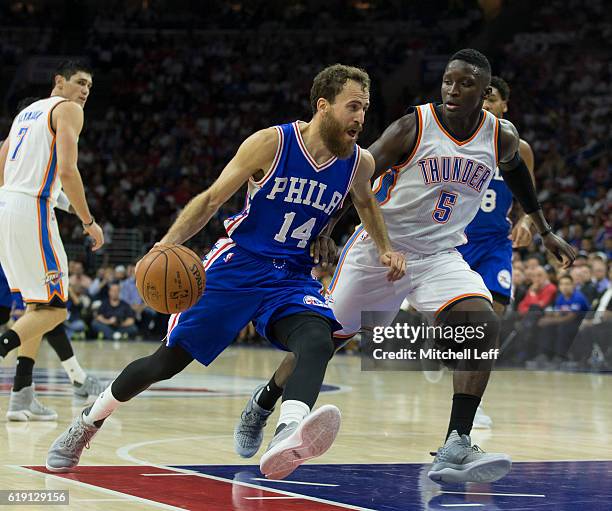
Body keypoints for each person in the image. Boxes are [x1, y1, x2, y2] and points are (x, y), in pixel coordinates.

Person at [46, 64, 405, 479]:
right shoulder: (272, 143)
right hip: (237, 265)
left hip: (289, 275)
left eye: (365, 108)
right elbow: (213, 198)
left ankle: (288, 431)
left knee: (318, 339)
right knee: (167, 361)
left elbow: (362, 203)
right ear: (323, 106)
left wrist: (381, 246)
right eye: (353, 107)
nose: (361, 118)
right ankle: (87, 422)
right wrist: (167, 244)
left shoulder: (359, 163)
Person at [235, 49, 575, 484]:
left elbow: (518, 176)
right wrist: (326, 228)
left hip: (439, 255)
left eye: (465, 83)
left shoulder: (501, 137)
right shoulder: (413, 126)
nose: (453, 89)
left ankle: (456, 443)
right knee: (324, 339)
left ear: (483, 90)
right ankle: (264, 402)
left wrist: (543, 229)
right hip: (380, 251)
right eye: (448, 80)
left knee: (480, 321)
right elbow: (356, 174)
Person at [0, 61, 105, 420]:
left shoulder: (25, 114)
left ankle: (21, 396)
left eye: (89, 86)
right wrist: (88, 220)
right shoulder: (68, 110)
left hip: (6, 205)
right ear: (59, 81)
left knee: (35, 307)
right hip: (30, 210)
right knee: (56, 309)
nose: (85, 91)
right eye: (80, 82)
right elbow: (66, 169)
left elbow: (3, 169)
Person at [456, 76, 535, 429]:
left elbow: (527, 202)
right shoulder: (455, 144)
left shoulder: (520, 149)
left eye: (492, 100)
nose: (485, 105)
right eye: (480, 100)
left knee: (490, 323)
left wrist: (527, 225)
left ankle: (473, 406)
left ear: (505, 106)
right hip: (453, 243)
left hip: (494, 246)